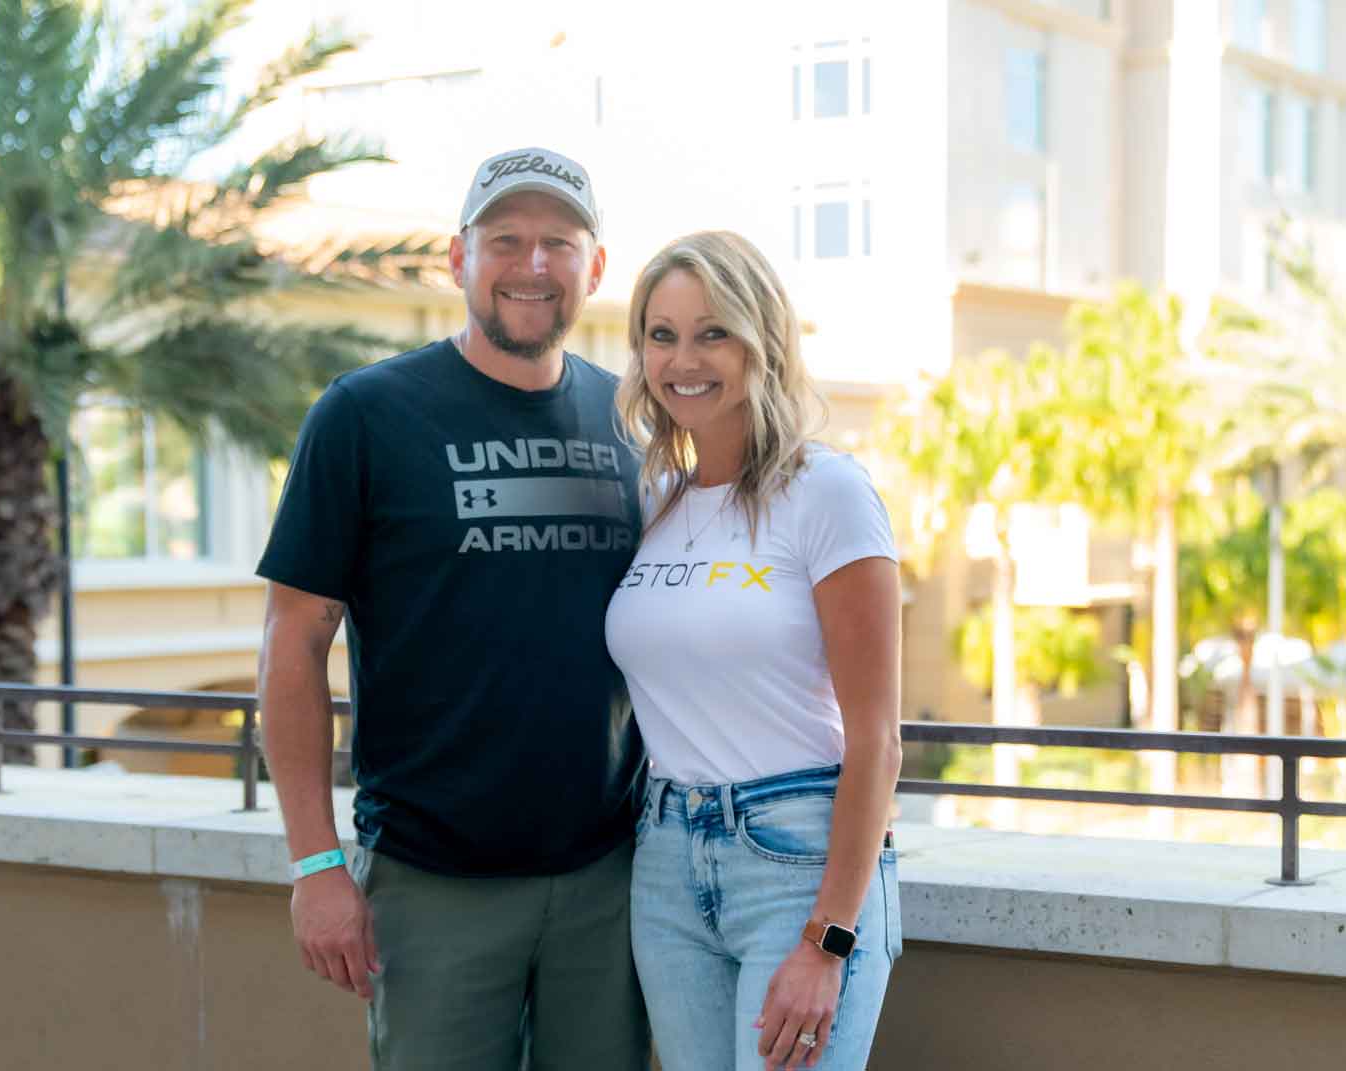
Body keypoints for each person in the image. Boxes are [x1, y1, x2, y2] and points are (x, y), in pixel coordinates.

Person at [256, 147, 649, 1071]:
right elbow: (292, 639)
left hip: (609, 878)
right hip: (433, 884)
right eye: (505, 239)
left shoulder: (630, 419)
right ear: (457, 258)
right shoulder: (365, 414)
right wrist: (316, 864)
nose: (533, 264)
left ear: (594, 267)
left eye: (559, 241)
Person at [605, 231, 903, 1071]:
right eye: (660, 335)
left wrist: (830, 939)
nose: (683, 359)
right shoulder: (656, 498)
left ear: (761, 339)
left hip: (798, 859)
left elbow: (878, 738)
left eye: (712, 332)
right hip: (664, 860)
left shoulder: (828, 493)